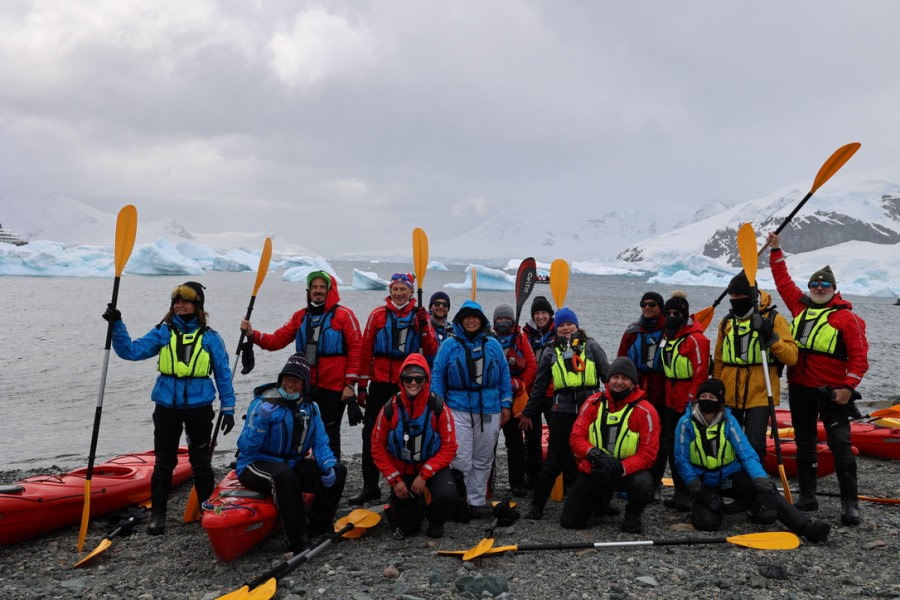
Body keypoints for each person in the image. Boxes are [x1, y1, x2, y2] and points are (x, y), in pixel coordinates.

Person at [103, 281, 236, 535]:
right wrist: (117, 325)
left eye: (185, 301)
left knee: (200, 461)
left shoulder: (210, 337)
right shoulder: (163, 333)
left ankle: (208, 512)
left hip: (200, 407)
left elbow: (222, 373)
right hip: (166, 406)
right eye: (176, 301)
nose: (179, 305)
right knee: (164, 461)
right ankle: (158, 515)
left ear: (197, 306)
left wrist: (228, 407)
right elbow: (130, 351)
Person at [768, 232, 869, 525]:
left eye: (825, 285)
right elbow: (783, 282)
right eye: (815, 284)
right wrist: (776, 251)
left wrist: (848, 388)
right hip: (800, 389)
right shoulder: (801, 307)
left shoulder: (845, 318)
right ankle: (808, 496)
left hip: (832, 393)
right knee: (805, 443)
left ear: (834, 289)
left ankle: (851, 504)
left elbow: (859, 358)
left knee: (840, 445)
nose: (819, 288)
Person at [674, 378, 830, 543]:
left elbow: (746, 452)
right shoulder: (685, 423)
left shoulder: (729, 422)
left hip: (729, 477)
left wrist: (760, 477)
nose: (707, 400)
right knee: (708, 523)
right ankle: (713, 506)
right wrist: (698, 489)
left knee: (767, 492)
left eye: (712, 398)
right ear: (697, 398)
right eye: (703, 396)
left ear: (719, 402)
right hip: (704, 481)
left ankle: (806, 528)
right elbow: (681, 459)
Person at [241, 270, 362, 459]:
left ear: (330, 290)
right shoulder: (300, 317)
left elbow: (357, 350)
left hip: (334, 388)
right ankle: (301, 472)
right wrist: (252, 334)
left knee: (330, 433)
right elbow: (276, 340)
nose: (318, 291)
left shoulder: (344, 316)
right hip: (304, 386)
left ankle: (330, 476)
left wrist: (350, 384)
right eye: (314, 287)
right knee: (300, 428)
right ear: (309, 291)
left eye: (322, 287)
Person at [235, 353, 347, 554]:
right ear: (280, 380)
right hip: (254, 463)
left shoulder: (311, 408)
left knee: (339, 470)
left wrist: (328, 464)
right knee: (284, 476)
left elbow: (320, 442)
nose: (290, 385)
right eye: (287, 379)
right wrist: (260, 421)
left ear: (304, 385)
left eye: (296, 381)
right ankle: (297, 540)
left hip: (291, 464)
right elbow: (245, 447)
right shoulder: (262, 405)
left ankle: (318, 525)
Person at [350, 273, 438, 505]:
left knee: (407, 432)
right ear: (390, 291)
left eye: (403, 289)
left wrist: (425, 325)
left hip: (410, 384)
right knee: (370, 433)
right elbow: (365, 351)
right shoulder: (377, 316)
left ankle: (407, 482)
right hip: (379, 383)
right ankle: (370, 487)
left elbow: (430, 350)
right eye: (395, 289)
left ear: (411, 292)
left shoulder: (420, 317)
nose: (399, 293)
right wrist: (361, 386)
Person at [519, 307, 609, 520]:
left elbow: (608, 376)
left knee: (595, 455)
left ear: (576, 325)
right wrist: (528, 413)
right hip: (563, 410)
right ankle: (537, 505)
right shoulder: (551, 351)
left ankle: (600, 502)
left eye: (569, 324)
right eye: (561, 325)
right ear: (556, 328)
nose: (566, 328)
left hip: (590, 410)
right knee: (554, 459)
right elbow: (540, 386)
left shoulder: (592, 346)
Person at [431, 300, 512, 517]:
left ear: (481, 320)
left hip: (489, 408)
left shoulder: (493, 345)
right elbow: (437, 375)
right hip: (457, 408)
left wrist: (506, 403)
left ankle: (476, 501)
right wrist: (438, 405)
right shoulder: (449, 345)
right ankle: (459, 501)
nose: (471, 320)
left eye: (475, 317)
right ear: (460, 320)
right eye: (467, 317)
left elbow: (504, 375)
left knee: (483, 458)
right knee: (460, 458)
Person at [562, 357, 659, 532]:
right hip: (596, 466)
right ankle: (601, 502)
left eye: (625, 378)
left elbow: (649, 454)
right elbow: (576, 437)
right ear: (608, 380)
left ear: (633, 382)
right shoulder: (593, 403)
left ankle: (633, 516)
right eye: (615, 377)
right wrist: (594, 454)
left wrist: (620, 467)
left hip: (627, 472)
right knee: (570, 522)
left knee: (643, 483)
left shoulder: (646, 411)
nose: (619, 382)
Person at [713, 272, 798, 461]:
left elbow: (791, 357)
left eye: (740, 296)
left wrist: (770, 337)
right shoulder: (726, 322)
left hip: (760, 391)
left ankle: (754, 480)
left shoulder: (774, 319)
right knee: (727, 439)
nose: (735, 300)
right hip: (729, 390)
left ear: (752, 297)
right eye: (732, 297)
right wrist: (716, 389)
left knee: (754, 441)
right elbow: (718, 359)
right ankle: (730, 479)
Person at [371, 354, 458, 538]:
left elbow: (449, 447)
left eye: (418, 378)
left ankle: (436, 521)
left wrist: (425, 474)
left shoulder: (439, 408)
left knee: (447, 496)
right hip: (402, 472)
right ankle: (413, 503)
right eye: (408, 378)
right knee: (407, 529)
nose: (413, 383)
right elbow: (377, 447)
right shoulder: (389, 408)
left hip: (430, 470)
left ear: (426, 380)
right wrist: (395, 480)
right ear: (401, 380)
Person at [658, 291, 710, 512]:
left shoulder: (696, 339)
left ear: (684, 315)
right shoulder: (669, 337)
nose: (671, 316)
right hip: (670, 398)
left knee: (688, 448)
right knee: (672, 446)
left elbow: (701, 371)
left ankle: (692, 493)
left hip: (686, 400)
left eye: (676, 313)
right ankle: (680, 491)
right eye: (668, 312)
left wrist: (692, 400)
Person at [617, 291, 667, 500]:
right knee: (632, 435)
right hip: (636, 390)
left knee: (659, 440)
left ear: (660, 308)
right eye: (644, 304)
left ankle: (654, 483)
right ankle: (629, 481)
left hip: (661, 390)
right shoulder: (632, 332)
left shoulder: (669, 332)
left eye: (652, 304)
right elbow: (620, 360)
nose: (647, 308)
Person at [492, 304, 537, 497]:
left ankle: (517, 483)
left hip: (514, 398)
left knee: (515, 442)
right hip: (492, 399)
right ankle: (485, 484)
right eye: (499, 319)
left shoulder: (520, 339)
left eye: (506, 319)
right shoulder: (489, 339)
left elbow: (531, 365)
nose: (503, 322)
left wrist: (520, 384)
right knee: (487, 443)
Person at [521, 295, 557, 488]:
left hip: (553, 393)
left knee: (557, 434)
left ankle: (553, 473)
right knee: (532, 435)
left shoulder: (559, 333)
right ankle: (532, 473)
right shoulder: (526, 335)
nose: (540, 317)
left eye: (544, 313)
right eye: (537, 313)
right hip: (533, 393)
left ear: (550, 315)